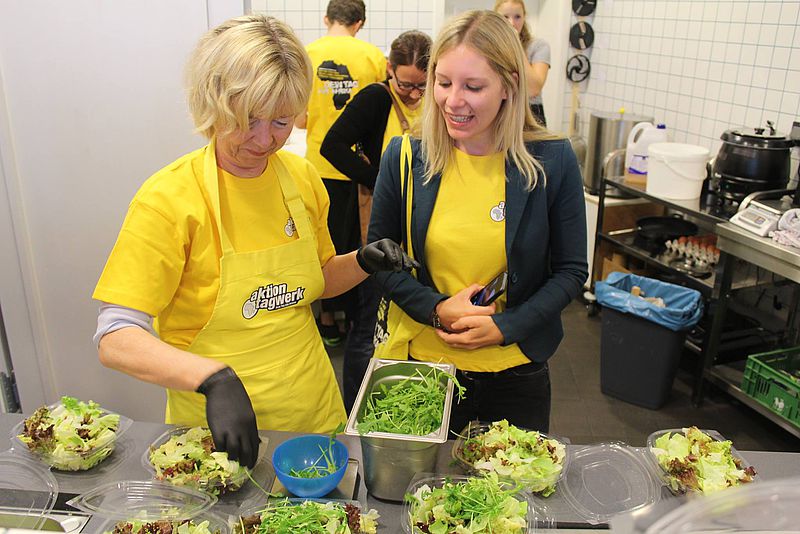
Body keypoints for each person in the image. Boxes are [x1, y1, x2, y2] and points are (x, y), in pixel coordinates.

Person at [92, 15, 416, 469]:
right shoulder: (169, 199)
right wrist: (211, 379)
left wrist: (362, 261)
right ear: (212, 103)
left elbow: (317, 280)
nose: (265, 140)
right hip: (217, 435)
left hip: (311, 415)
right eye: (247, 120)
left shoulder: (301, 178)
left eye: (281, 122)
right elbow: (116, 335)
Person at [368, 10, 587, 434]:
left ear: (509, 86)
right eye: (443, 82)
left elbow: (571, 270)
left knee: (511, 476)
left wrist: (506, 326)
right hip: (424, 368)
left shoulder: (552, 160)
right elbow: (380, 262)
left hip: (516, 372)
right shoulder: (406, 157)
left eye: (473, 87)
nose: (453, 101)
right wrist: (436, 309)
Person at [320, 30, 432, 412]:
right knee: (369, 324)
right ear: (389, 69)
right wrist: (380, 180)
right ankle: (356, 410)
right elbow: (332, 145)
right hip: (380, 230)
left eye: (422, 85)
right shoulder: (376, 98)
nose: (414, 94)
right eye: (406, 84)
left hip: (420, 230)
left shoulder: (438, 100)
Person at [301, 0, 388, 347]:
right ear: (359, 23)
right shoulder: (373, 57)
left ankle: (326, 321)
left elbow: (299, 119)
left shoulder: (307, 54)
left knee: (326, 247)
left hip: (318, 166)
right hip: (359, 169)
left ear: (327, 19)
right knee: (359, 247)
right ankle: (357, 320)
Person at [494, 0, 550, 127]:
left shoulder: (538, 46)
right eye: (505, 17)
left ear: (524, 17)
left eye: (517, 17)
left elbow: (533, 89)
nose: (511, 23)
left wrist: (516, 44)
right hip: (500, 110)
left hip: (531, 113)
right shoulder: (490, 47)